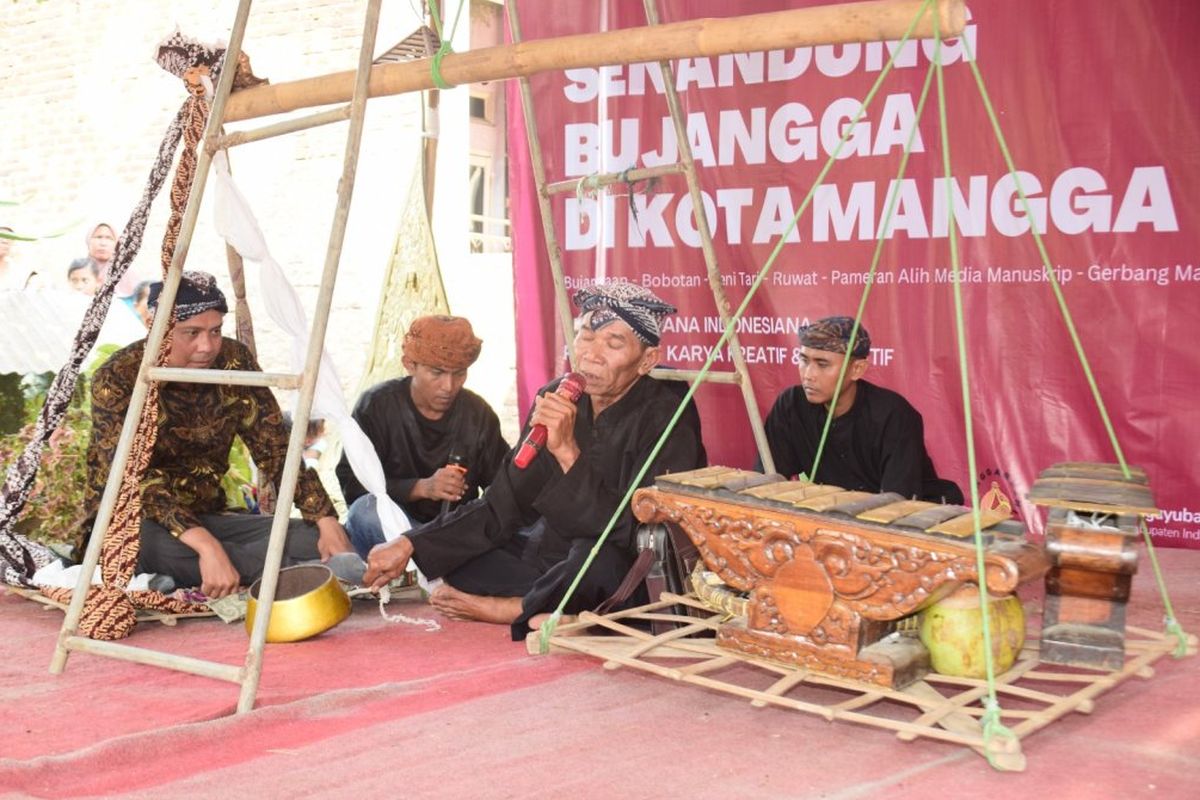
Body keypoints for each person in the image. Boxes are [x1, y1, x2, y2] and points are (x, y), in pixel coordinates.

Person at [362, 282, 707, 639]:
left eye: (613, 344)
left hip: (621, 559)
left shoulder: (669, 410)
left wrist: (567, 451)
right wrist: (409, 544)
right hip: (554, 556)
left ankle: (512, 609)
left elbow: (638, 530)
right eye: (585, 337)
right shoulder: (557, 396)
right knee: (461, 557)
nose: (590, 354)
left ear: (647, 360)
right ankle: (563, 608)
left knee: (596, 562)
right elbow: (502, 504)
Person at [83, 270, 359, 598]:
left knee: (313, 535)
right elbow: (133, 478)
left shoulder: (233, 361)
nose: (207, 346)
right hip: (134, 525)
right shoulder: (118, 377)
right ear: (156, 328)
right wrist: (206, 546)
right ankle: (305, 574)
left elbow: (274, 446)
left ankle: (244, 571)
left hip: (209, 518)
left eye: (215, 331)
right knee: (156, 549)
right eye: (192, 333)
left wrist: (324, 518)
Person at [336, 315, 509, 558]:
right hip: (392, 531)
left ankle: (439, 564)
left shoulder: (478, 414)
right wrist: (421, 487)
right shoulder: (377, 405)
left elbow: (503, 488)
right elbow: (353, 484)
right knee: (364, 511)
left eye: (459, 374)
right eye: (436, 373)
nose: (448, 386)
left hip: (452, 534)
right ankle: (436, 566)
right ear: (409, 364)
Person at [764, 315, 962, 504]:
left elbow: (898, 504)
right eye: (804, 361)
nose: (808, 375)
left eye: (822, 365)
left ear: (857, 369)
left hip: (915, 518)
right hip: (838, 516)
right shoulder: (791, 406)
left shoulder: (893, 415)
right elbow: (767, 482)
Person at [67, 223, 142, 303]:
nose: (103, 243)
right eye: (98, 237)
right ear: (88, 241)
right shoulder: (78, 270)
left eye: (109, 238)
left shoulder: (126, 274)